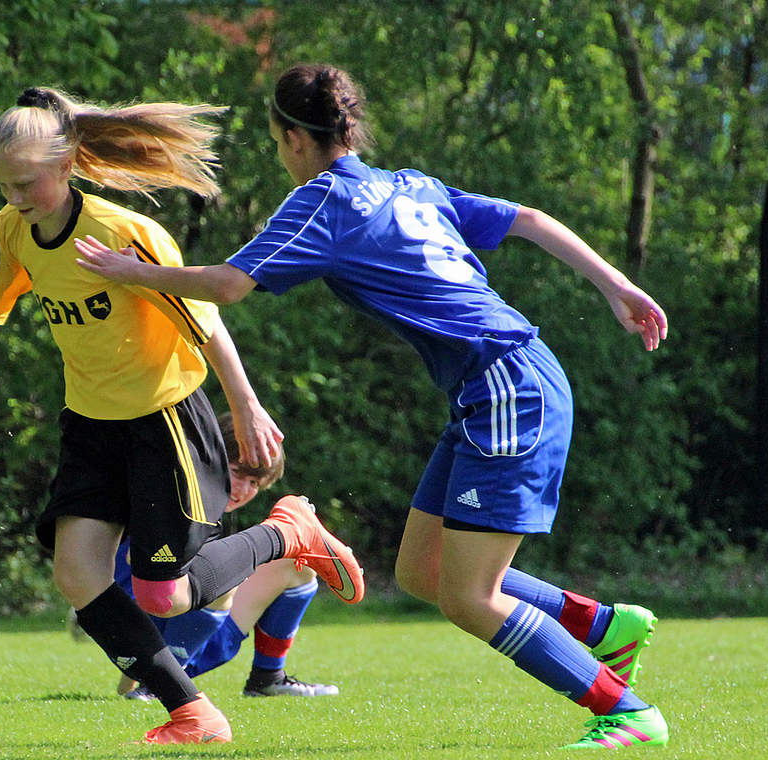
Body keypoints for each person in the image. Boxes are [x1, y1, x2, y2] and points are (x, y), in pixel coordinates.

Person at [75, 63, 669, 750]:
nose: (280, 154)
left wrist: (134, 272)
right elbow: (528, 219)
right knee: (423, 572)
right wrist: (616, 285)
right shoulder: (407, 185)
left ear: (294, 138)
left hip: (506, 387)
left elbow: (228, 285)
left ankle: (626, 711)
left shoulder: (324, 201)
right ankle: (604, 628)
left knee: (471, 597)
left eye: (276, 141)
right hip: (498, 387)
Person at [0, 86, 364, 745]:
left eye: (25, 183)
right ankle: (192, 712)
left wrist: (246, 405)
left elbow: (206, 324)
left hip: (163, 422)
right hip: (89, 425)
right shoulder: (14, 230)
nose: (14, 198)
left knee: (164, 595)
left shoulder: (123, 235)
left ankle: (288, 532)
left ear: (67, 163)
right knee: (75, 573)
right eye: (3, 185)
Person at [111, 410, 341, 702]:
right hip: (153, 633)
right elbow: (143, 573)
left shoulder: (193, 499)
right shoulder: (175, 496)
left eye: (255, 483)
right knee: (218, 580)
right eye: (238, 472)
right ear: (212, 457)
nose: (245, 489)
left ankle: (268, 678)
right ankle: (162, 683)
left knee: (296, 562)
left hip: (168, 634)